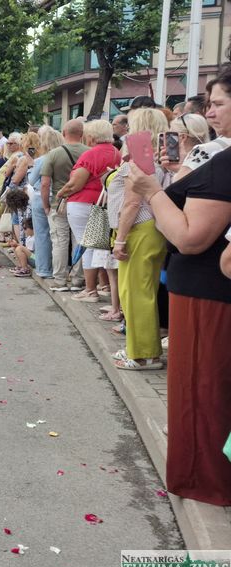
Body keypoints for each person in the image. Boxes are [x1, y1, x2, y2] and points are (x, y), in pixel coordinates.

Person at [124, 67, 231, 506]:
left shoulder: (224, 163)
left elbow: (190, 238)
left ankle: (206, 482)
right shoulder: (218, 157)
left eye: (218, 103)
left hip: (208, 296)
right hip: (202, 290)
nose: (210, 112)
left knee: (201, 391)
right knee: (202, 390)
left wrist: (151, 190)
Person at [109, 107, 171, 368]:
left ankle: (142, 355)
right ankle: (143, 349)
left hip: (139, 229)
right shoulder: (158, 161)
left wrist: (120, 239)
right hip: (153, 229)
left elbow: (132, 204)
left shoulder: (141, 163)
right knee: (142, 291)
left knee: (135, 293)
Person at [56, 120, 121, 303]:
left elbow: (75, 184)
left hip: (83, 203)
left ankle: (90, 290)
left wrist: (61, 193)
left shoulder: (91, 154)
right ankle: (104, 285)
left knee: (86, 245)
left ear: (91, 136)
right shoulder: (116, 152)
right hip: (105, 203)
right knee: (100, 245)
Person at [40, 119, 90, 291]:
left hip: (59, 203)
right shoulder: (89, 153)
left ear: (63, 133)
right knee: (80, 240)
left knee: (60, 241)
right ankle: (78, 279)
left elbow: (45, 183)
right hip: (83, 202)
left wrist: (46, 206)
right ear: (82, 134)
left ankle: (60, 280)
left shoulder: (54, 154)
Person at [29, 126, 62, 279]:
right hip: (59, 197)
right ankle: (60, 269)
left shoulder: (42, 160)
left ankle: (44, 269)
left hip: (41, 197)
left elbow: (32, 180)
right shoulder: (63, 157)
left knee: (42, 234)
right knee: (59, 236)